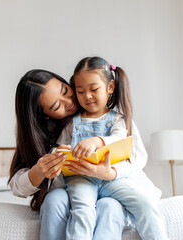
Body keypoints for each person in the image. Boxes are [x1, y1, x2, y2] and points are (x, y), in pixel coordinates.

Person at [9, 69, 162, 240]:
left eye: (66, 91)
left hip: (111, 184)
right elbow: (17, 186)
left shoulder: (114, 118)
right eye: (57, 106)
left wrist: (108, 171)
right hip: (74, 186)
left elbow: (135, 159)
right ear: (44, 115)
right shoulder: (53, 132)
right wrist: (39, 170)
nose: (69, 102)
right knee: (55, 199)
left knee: (109, 206)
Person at [57, 56, 168, 240]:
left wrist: (96, 141)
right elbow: (61, 150)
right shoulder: (71, 123)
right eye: (80, 91)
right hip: (81, 177)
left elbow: (120, 138)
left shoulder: (119, 119)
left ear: (110, 88)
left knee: (144, 203)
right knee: (82, 212)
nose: (88, 96)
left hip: (111, 178)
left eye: (94, 89)